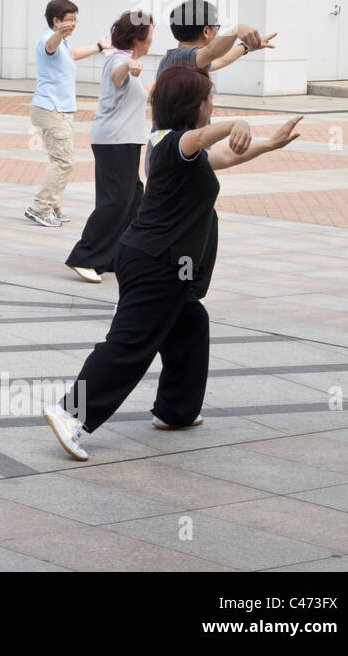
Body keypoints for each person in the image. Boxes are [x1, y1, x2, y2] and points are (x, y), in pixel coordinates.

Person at [43, 66, 303, 460]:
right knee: (131, 343)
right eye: (210, 99)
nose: (213, 106)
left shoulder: (184, 150)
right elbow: (200, 139)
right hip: (155, 262)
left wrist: (268, 145)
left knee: (190, 325)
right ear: (194, 105)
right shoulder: (171, 144)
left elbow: (222, 156)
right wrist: (239, 120)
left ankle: (176, 411)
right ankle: (69, 412)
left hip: (162, 261)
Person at [64, 10, 155, 284]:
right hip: (114, 141)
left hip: (124, 140)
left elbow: (138, 94)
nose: (152, 40)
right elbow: (117, 76)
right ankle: (85, 257)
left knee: (133, 200)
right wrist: (129, 67)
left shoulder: (131, 62)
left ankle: (114, 256)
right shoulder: (119, 60)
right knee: (115, 201)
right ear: (139, 38)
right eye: (150, 35)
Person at [25, 0, 110, 228]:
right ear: (56, 21)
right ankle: (40, 207)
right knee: (65, 161)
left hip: (57, 110)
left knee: (59, 159)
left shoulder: (63, 45)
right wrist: (59, 34)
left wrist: (100, 47)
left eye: (74, 19)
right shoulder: (49, 40)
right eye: (68, 19)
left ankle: (52, 206)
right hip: (51, 109)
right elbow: (50, 46)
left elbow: (72, 53)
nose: (73, 23)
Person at [158, 0, 275, 78]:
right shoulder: (184, 57)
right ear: (206, 31)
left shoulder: (176, 59)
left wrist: (246, 46)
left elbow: (219, 60)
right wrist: (236, 30)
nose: (217, 32)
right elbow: (212, 52)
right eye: (216, 27)